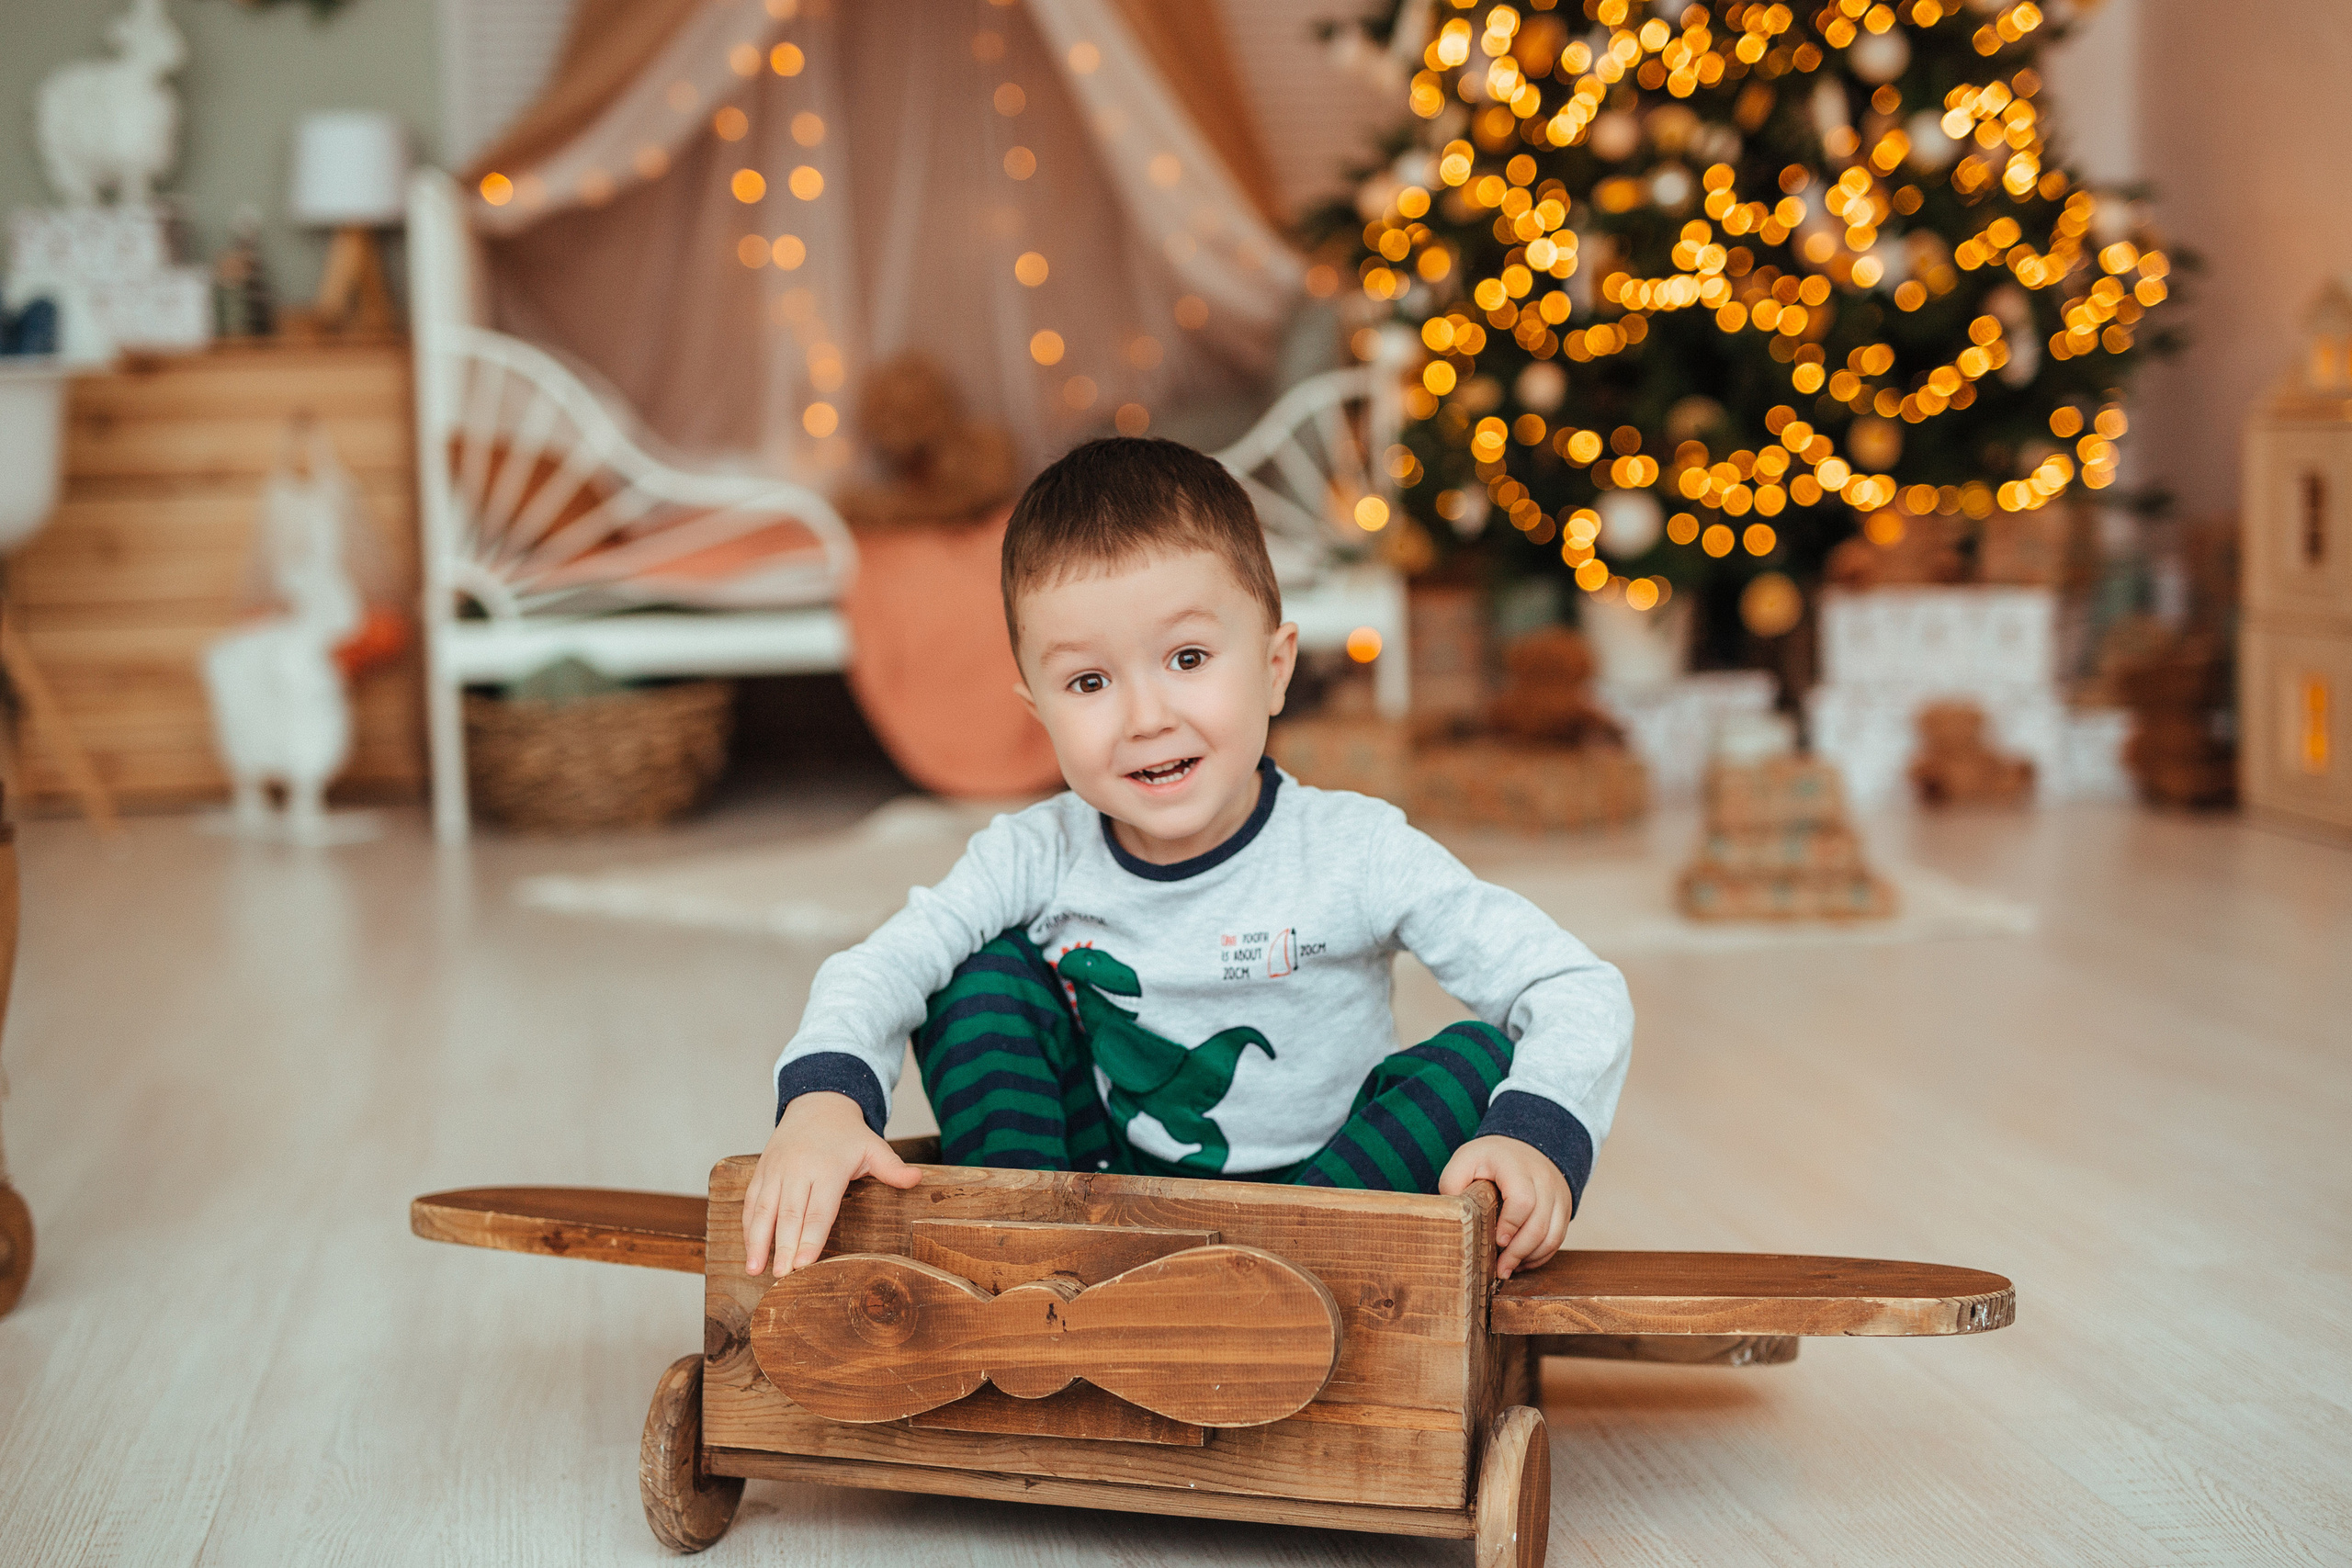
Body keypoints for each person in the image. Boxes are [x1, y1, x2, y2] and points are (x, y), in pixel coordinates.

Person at [743, 437, 1632, 1282]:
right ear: (1038, 710)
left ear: (1277, 667)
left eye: (1188, 657)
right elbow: (886, 963)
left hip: (1333, 1200)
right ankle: (1026, 1261)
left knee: (1475, 1061)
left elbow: (1573, 985)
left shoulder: (1355, 850)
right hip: (1102, 1200)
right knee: (975, 976)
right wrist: (824, 1099)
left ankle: (1268, 1289)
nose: (1145, 717)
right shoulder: (1035, 853)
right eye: (1089, 682)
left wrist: (1535, 1132)